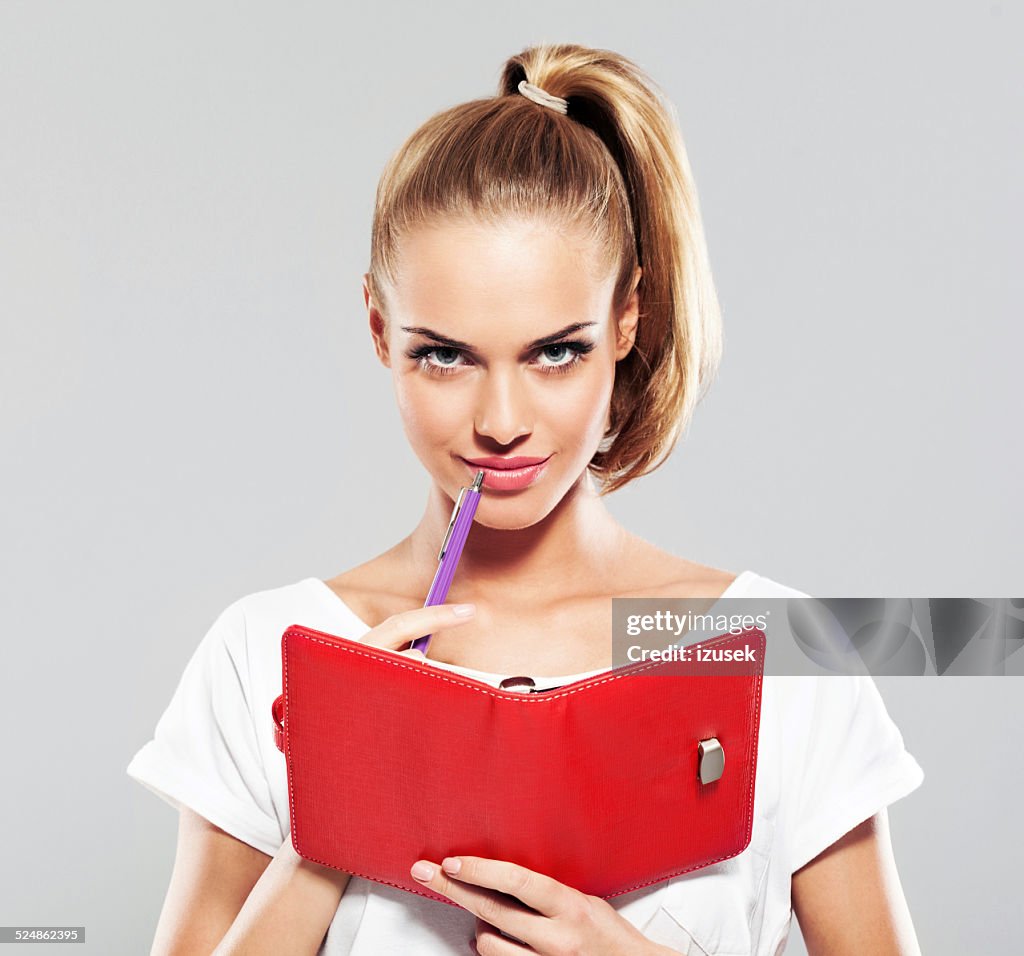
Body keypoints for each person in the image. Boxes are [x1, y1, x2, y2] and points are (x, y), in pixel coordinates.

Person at [127, 42, 925, 955]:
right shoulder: (266, 654)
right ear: (381, 331)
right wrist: (348, 786)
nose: (500, 421)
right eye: (445, 354)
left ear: (628, 320)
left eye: (556, 352)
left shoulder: (783, 654)